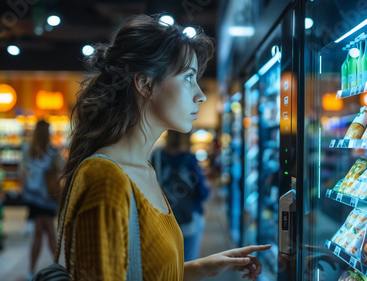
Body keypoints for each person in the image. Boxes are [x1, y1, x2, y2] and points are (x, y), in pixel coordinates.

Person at [57, 14, 270, 281]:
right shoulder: (105, 177)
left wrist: (201, 267)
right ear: (145, 84)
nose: (200, 94)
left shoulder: (143, 168)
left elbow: (143, 273)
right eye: (188, 78)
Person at [150, 130, 210, 262]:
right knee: (189, 261)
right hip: (190, 216)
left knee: (165, 262)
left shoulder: (157, 157)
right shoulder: (190, 159)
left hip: (163, 217)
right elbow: (203, 192)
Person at [20, 120, 62, 280]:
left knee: (39, 232)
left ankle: (33, 270)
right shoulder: (52, 151)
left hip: (32, 196)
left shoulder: (27, 150)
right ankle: (58, 268)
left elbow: (22, 173)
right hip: (47, 197)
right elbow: (62, 167)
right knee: (49, 231)